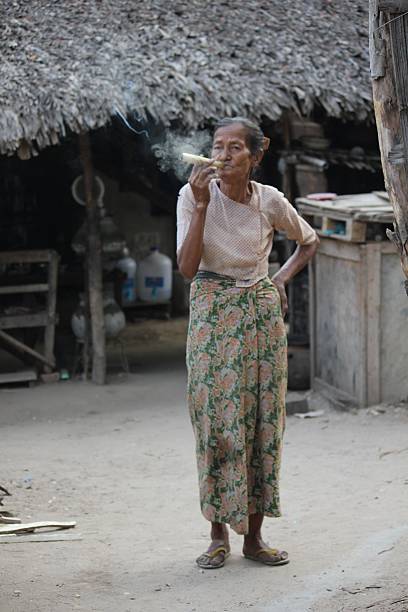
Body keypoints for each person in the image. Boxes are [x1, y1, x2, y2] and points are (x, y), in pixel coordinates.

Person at [176, 117, 319, 569]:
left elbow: (308, 241)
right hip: (211, 315)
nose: (222, 155)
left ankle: (255, 537)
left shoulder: (269, 200)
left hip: (259, 317)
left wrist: (278, 278)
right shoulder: (190, 196)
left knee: (261, 422)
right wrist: (200, 207)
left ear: (256, 156)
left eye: (235, 148)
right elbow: (186, 268)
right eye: (217, 146)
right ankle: (217, 535)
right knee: (216, 421)